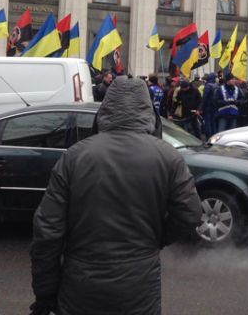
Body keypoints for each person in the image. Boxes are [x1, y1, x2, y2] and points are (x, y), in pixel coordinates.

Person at [30, 77, 201, 315]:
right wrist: (156, 238)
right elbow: (190, 215)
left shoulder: (75, 156)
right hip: (139, 286)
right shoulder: (168, 157)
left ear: (104, 112)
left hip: (80, 286)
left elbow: (47, 232)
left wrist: (45, 294)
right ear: (149, 113)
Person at [201, 73, 218, 139]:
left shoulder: (207, 86)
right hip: (215, 107)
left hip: (208, 108)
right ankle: (214, 138)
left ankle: (209, 138)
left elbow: (204, 98)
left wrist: (201, 108)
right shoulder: (217, 85)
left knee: (208, 124)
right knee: (213, 124)